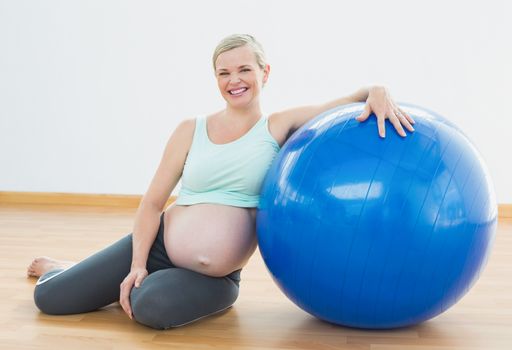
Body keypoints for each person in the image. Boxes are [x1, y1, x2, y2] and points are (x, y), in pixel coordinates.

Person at [27, 34, 415, 330]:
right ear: (215, 78)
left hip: (215, 275)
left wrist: (378, 90)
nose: (235, 80)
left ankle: (103, 275)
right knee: (50, 297)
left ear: (264, 73)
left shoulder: (277, 126)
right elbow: (150, 205)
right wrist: (138, 264)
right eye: (224, 73)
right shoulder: (189, 130)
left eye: (244, 70)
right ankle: (71, 268)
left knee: (150, 308)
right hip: (159, 244)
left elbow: (350, 100)